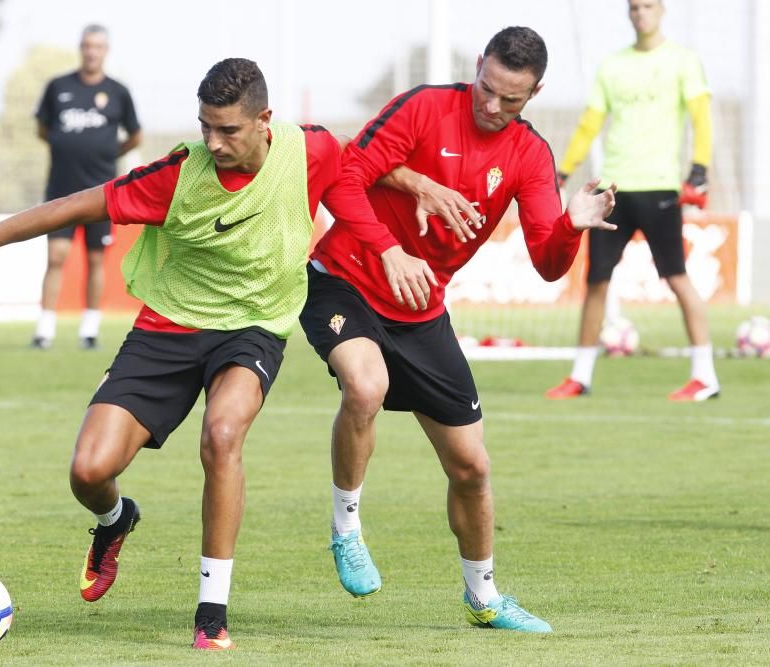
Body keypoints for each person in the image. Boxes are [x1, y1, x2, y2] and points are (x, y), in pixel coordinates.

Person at [0, 58, 359, 651]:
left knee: (222, 436)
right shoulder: (177, 175)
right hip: (167, 328)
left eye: (227, 130)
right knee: (88, 471)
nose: (213, 142)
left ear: (263, 120)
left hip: (253, 327)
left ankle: (211, 615)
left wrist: (421, 188)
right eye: (205, 127)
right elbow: (71, 207)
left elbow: (368, 166)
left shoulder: (309, 150)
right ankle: (115, 519)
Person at [298, 27, 617, 633]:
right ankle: (346, 527)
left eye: (511, 100)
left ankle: (485, 599)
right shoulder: (423, 106)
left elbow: (550, 265)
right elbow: (346, 176)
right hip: (344, 278)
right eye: (486, 89)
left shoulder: (530, 155)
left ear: (535, 93)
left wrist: (572, 225)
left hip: (421, 310)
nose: (492, 107)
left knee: (472, 467)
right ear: (478, 67)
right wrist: (391, 247)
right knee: (365, 386)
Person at [546, 0, 719, 401]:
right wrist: (564, 170)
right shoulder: (612, 65)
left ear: (661, 10)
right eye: (634, 7)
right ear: (629, 13)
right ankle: (581, 376)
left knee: (677, 277)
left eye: (648, 5)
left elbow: (702, 117)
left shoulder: (684, 61)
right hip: (614, 190)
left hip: (660, 187)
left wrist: (700, 167)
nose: (641, 13)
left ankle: (705, 376)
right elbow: (591, 122)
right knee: (596, 282)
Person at [31, 24, 142, 350]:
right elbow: (42, 127)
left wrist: (110, 154)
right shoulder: (58, 87)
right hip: (61, 190)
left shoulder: (118, 92)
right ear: (81, 48)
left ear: (105, 50)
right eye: (86, 45)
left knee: (96, 259)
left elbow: (135, 134)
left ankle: (89, 329)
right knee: (56, 256)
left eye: (97, 46)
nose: (91, 51)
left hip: (101, 191)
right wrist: (66, 146)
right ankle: (44, 330)